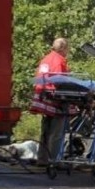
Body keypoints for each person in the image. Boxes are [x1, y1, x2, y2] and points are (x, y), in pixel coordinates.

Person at [30, 38, 70, 166]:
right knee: (56, 132)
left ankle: (42, 159)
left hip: (43, 97)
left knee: (45, 131)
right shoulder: (59, 60)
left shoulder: (46, 59)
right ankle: (53, 160)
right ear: (63, 48)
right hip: (55, 99)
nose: (67, 52)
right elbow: (60, 81)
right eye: (67, 49)